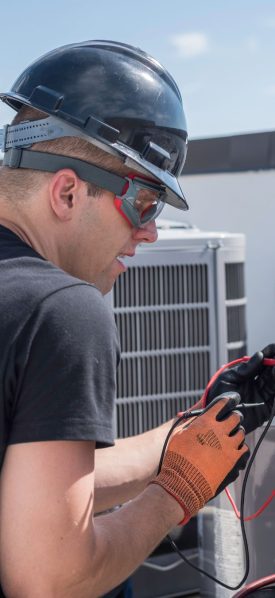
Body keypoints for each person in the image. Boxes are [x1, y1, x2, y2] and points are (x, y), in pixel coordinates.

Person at [0, 40, 274, 598]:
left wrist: (197, 427)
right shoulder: (60, 310)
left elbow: (29, 492)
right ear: (68, 190)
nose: (149, 232)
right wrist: (177, 491)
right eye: (144, 203)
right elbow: (51, 579)